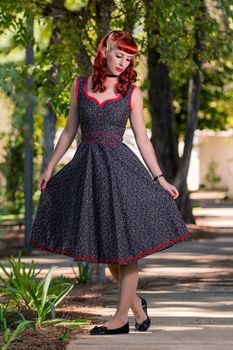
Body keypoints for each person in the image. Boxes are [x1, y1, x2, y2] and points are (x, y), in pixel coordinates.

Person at [29, 30, 191, 335]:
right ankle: (137, 307)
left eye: (129, 58)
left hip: (121, 173)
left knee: (125, 247)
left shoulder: (132, 93)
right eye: (119, 55)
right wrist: (50, 166)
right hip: (87, 171)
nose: (123, 63)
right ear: (104, 50)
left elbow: (143, 139)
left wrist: (159, 178)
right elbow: (67, 132)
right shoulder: (80, 86)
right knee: (105, 246)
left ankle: (120, 320)